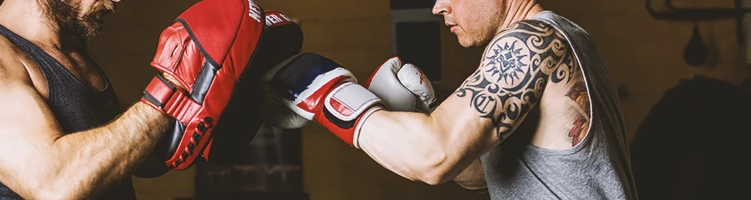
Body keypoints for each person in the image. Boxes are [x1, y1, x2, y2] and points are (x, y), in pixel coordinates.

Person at [264, 0, 638, 199]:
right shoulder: (563, 37)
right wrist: (418, 117)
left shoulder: (530, 43)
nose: (437, 6)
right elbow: (480, 175)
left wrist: (321, 88)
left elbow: (435, 159)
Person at [0, 0, 267, 199]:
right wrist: (173, 87)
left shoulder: (75, 57)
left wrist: (238, 101)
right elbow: (55, 184)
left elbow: (141, 158)